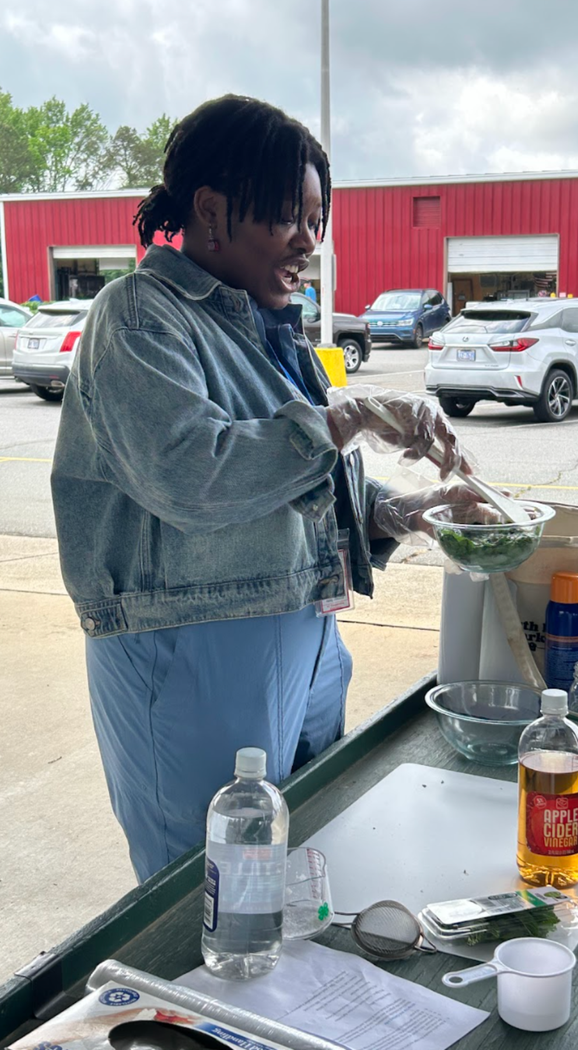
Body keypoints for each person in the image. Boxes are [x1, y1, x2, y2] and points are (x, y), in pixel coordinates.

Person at [51, 94, 486, 882]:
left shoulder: (268, 328)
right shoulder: (141, 318)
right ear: (211, 211)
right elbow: (194, 474)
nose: (308, 243)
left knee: (302, 874)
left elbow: (301, 485)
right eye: (290, 218)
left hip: (308, 637)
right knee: (209, 900)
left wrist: (409, 511)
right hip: (191, 653)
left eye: (318, 221)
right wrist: (348, 415)